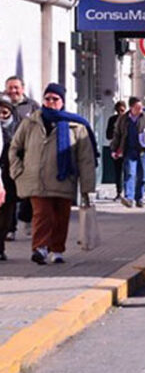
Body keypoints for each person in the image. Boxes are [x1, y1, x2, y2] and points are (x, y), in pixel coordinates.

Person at [8, 84, 97, 265]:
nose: (50, 102)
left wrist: (87, 187)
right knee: (42, 214)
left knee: (60, 216)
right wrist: (17, 172)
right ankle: (40, 248)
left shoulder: (76, 126)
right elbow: (14, 149)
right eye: (47, 98)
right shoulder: (30, 122)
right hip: (36, 179)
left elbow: (86, 159)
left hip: (64, 179)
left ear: (62, 102)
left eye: (55, 99)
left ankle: (57, 250)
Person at [5, 76, 39, 241]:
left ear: (23, 89)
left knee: (28, 191)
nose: (13, 91)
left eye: (16, 88)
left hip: (27, 155)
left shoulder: (32, 106)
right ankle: (9, 228)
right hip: (5, 156)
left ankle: (26, 218)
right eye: (10, 88)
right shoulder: (2, 104)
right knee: (9, 194)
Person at [111, 97, 145, 208]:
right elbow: (117, 134)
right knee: (130, 174)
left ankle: (139, 198)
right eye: (138, 107)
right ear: (132, 107)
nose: (140, 109)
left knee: (142, 176)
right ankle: (129, 198)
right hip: (129, 150)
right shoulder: (123, 119)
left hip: (143, 151)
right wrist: (114, 149)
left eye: (141, 107)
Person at [0, 95, 22, 261]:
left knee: (6, 215)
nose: (2, 113)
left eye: (5, 110)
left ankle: (1, 245)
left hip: (10, 177)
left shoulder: (19, 127)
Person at [105, 101, 126, 200]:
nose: (120, 113)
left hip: (127, 148)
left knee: (128, 170)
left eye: (122, 110)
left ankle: (128, 192)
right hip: (116, 148)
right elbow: (108, 135)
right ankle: (119, 192)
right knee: (118, 171)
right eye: (118, 110)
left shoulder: (129, 120)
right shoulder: (112, 120)